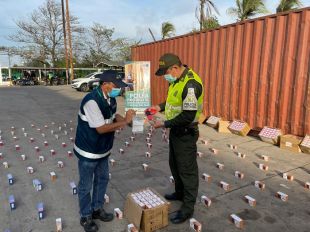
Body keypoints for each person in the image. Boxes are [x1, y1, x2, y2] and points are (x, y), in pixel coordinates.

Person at [74, 70, 136, 232]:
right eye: (116, 86)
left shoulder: (111, 98)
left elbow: (114, 116)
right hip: (89, 150)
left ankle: (97, 209)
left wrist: (129, 121)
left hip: (103, 149)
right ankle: (86, 215)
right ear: (105, 85)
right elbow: (101, 129)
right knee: (85, 185)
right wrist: (125, 123)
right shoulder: (91, 101)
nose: (119, 89)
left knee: (102, 180)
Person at [148, 53, 204, 224]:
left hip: (186, 132)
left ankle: (187, 208)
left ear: (175, 68)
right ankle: (179, 193)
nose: (165, 77)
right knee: (175, 164)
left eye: (166, 72)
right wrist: (159, 106)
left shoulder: (191, 84)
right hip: (176, 131)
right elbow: (173, 102)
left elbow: (187, 116)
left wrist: (163, 124)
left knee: (187, 170)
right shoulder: (178, 80)